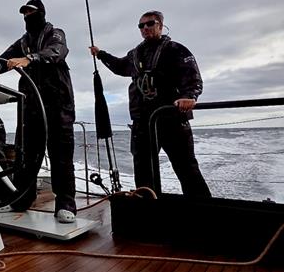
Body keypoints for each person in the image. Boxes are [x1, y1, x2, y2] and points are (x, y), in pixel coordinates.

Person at [0, 0, 77, 223]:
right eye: (24, 13)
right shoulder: (22, 42)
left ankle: (66, 204)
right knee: (26, 156)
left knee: (61, 157)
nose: (27, 17)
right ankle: (20, 200)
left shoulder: (55, 33)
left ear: (41, 13)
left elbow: (57, 51)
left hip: (58, 107)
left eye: (31, 12)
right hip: (31, 108)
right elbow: (0, 61)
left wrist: (29, 59)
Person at [89, 10, 211, 198]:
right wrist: (101, 54)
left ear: (160, 26)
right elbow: (120, 66)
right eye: (141, 25)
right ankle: (148, 213)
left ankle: (203, 211)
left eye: (150, 24)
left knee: (187, 169)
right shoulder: (135, 54)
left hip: (171, 119)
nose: (145, 28)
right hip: (143, 124)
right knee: (144, 172)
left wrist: (190, 96)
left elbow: (193, 79)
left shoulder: (176, 50)